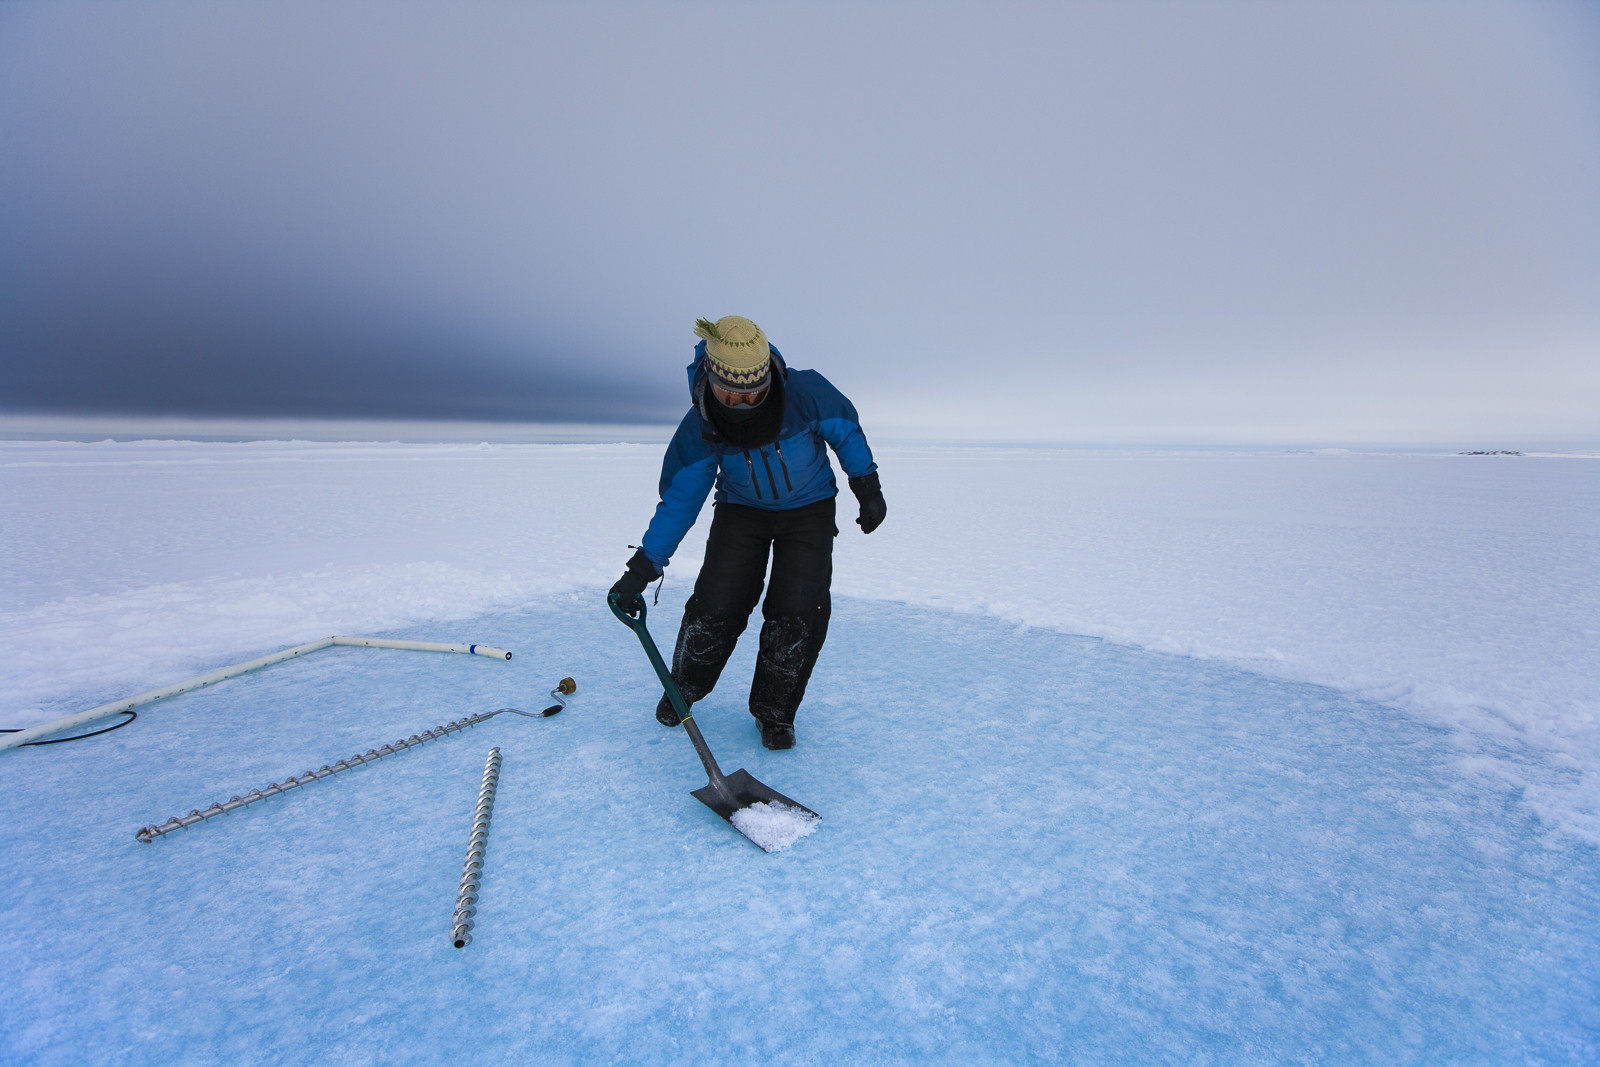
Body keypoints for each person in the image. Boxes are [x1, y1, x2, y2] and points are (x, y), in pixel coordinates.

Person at [610, 316, 886, 750]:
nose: (742, 403)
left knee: (798, 612)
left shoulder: (805, 392)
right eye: (730, 394)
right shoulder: (700, 425)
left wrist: (866, 484)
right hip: (741, 512)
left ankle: (774, 714)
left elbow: (846, 430)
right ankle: (683, 689)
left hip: (809, 510)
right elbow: (681, 500)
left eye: (753, 393)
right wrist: (643, 567)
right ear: (712, 380)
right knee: (716, 605)